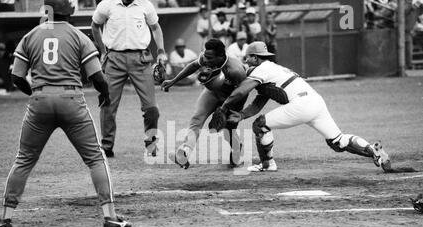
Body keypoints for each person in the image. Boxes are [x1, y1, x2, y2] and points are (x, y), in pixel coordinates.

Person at [0, 0, 131, 227]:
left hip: (39, 101)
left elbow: (16, 78)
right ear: (71, 10)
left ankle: (5, 219)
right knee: (95, 159)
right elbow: (97, 77)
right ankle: (110, 217)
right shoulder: (79, 36)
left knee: (24, 159)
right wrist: (105, 95)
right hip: (71, 101)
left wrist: (37, 94)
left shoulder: (31, 35)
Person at [222, 41, 392, 173]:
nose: (246, 61)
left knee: (260, 125)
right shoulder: (272, 69)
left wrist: (224, 107)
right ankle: (374, 151)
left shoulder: (262, 68)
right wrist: (242, 115)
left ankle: (267, 165)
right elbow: (258, 102)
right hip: (315, 102)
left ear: (255, 57)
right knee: (338, 142)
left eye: (248, 58)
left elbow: (241, 91)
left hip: (301, 104)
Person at [91, 0, 168, 158]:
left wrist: (161, 51)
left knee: (151, 107)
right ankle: (106, 146)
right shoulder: (107, 4)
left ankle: (151, 144)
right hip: (114, 58)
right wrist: (103, 51)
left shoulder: (145, 5)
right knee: (108, 105)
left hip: (140, 58)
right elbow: (95, 25)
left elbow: (156, 28)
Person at [161, 39, 247, 169]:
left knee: (227, 130)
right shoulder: (207, 57)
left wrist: (227, 110)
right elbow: (193, 66)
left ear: (221, 56)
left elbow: (241, 93)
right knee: (197, 118)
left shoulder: (236, 70)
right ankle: (185, 153)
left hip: (232, 98)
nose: (205, 60)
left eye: (209, 57)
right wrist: (173, 80)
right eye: (205, 55)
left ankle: (236, 151)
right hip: (212, 93)